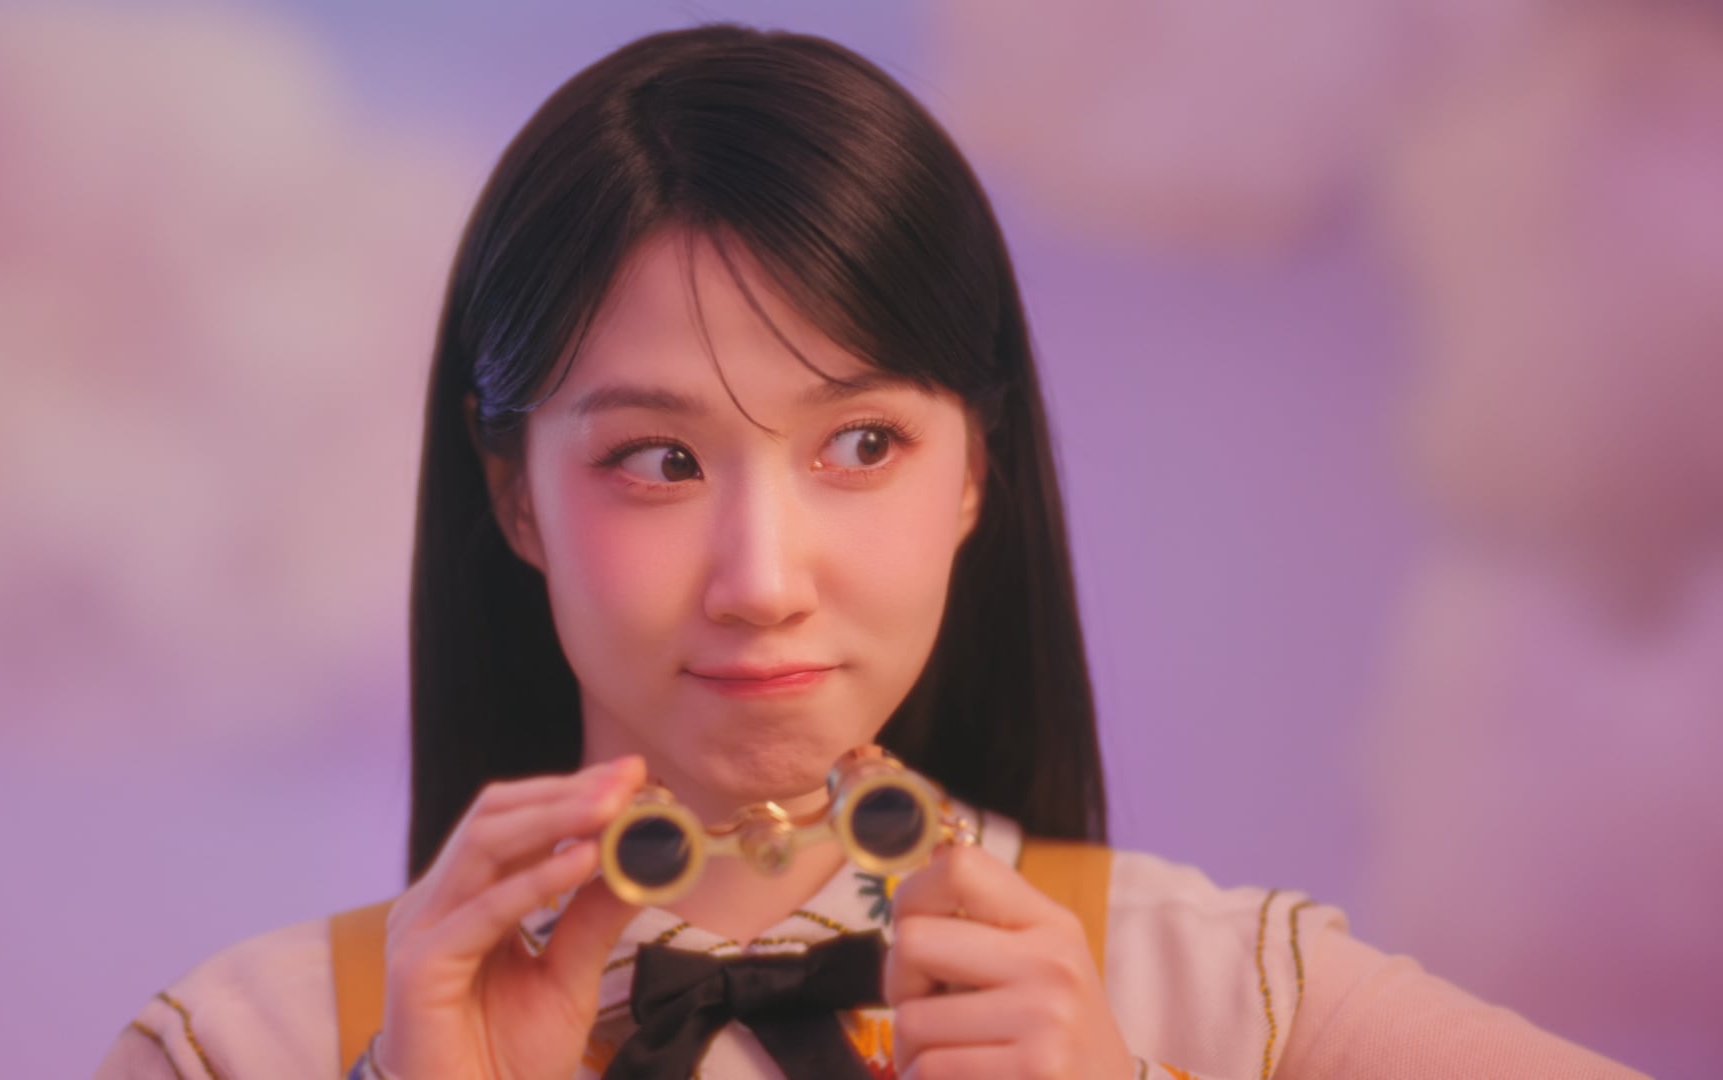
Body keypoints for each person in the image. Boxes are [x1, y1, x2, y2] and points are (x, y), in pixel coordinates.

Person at [97, 24, 1645, 1080]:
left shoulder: (1216, 989)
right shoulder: (249, 1043)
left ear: (977, 469)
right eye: (659, 461)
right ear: (514, 497)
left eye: (859, 446)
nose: (763, 579)